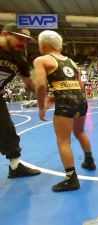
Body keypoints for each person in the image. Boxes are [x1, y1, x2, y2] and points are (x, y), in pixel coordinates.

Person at [34, 30, 96, 192]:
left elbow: (40, 85)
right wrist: (54, 97)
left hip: (66, 102)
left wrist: (41, 106)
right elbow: (79, 86)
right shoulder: (72, 62)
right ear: (59, 46)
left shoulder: (41, 60)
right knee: (80, 132)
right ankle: (89, 161)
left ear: (43, 45)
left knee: (63, 140)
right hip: (81, 100)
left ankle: (71, 179)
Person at [0, 23, 41, 178]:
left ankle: (15, 167)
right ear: (5, 34)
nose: (23, 44)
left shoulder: (19, 60)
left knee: (8, 130)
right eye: (20, 38)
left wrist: (46, 95)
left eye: (26, 41)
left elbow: (29, 84)